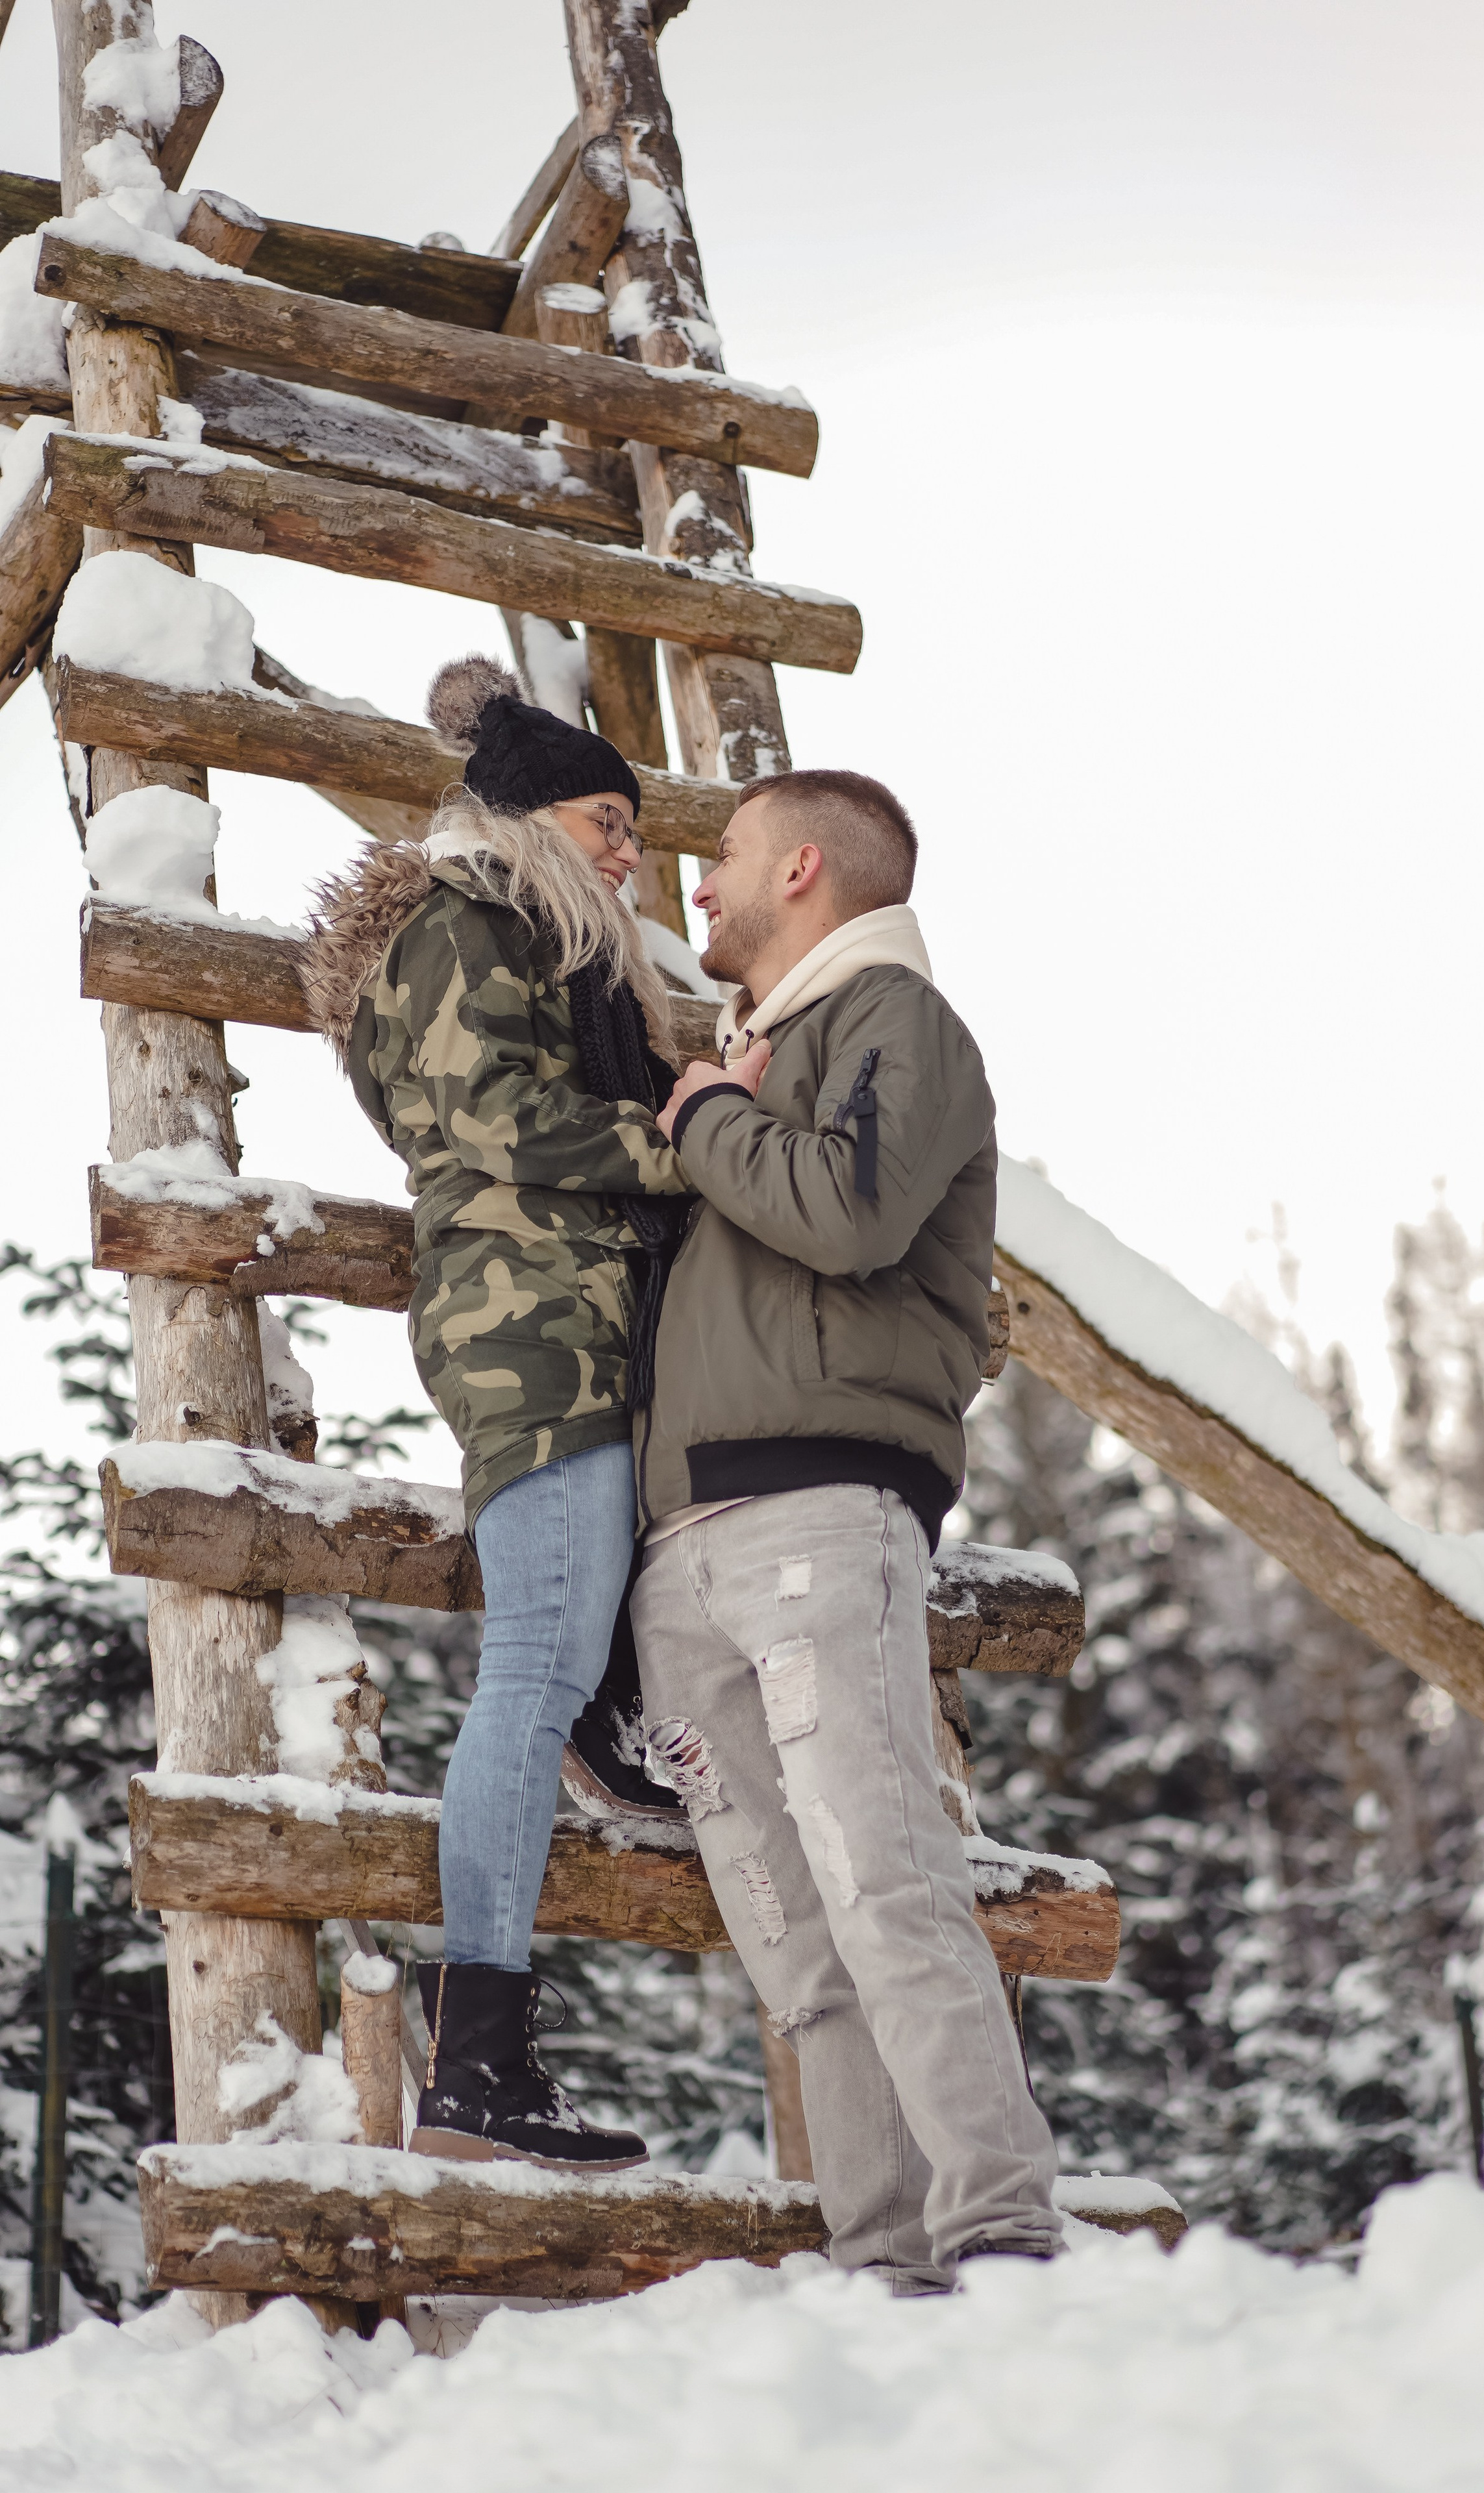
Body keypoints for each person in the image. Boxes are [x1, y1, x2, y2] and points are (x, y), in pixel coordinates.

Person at [631, 768, 1061, 2292]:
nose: (700, 886)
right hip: (685, 1561)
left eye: (726, 857)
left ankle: (999, 2230)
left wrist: (711, 1122)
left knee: (883, 1877)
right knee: (792, 1945)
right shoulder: (758, 1053)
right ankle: (885, 2273)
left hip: (819, 1515)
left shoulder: (897, 1023)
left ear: (802, 867)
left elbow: (853, 1210)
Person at [303, 653, 691, 2174]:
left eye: (638, 834)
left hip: (573, 1322)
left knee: (556, 1658)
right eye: (609, 823)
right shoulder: (461, 925)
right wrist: (682, 1135)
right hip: (526, 1328)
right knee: (529, 1664)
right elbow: (488, 1116)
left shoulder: (533, 942)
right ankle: (475, 2071)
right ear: (528, 817)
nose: (628, 856)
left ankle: (488, 2059)